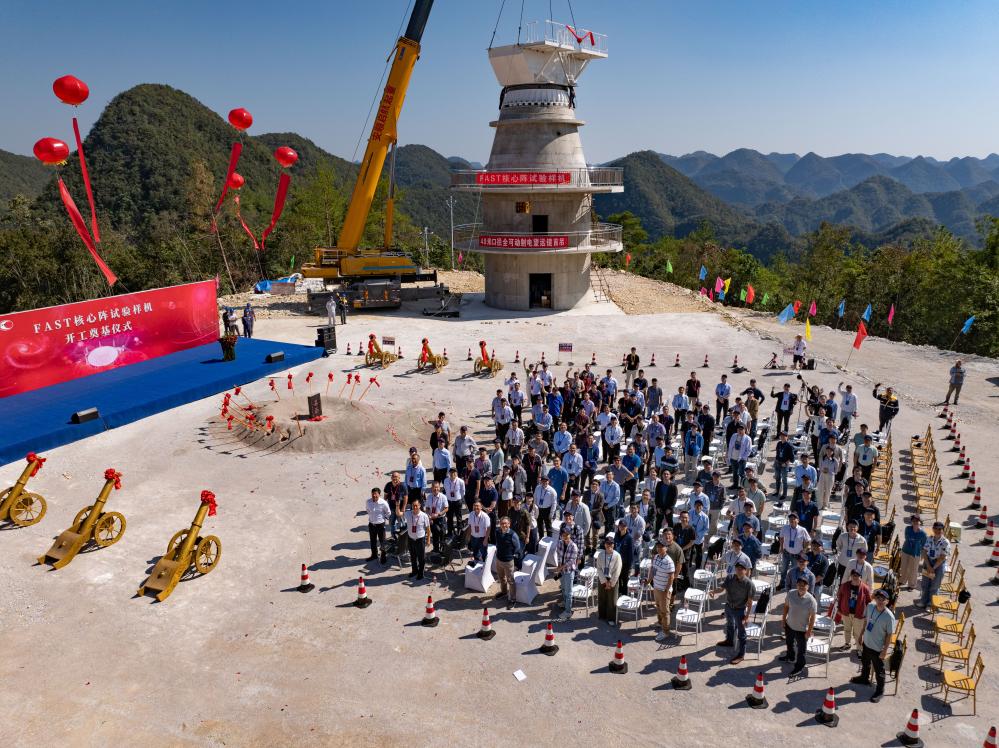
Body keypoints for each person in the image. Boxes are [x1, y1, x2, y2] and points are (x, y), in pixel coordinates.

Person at [850, 589, 895, 702]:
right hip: (866, 642)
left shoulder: (889, 616)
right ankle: (864, 678)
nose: (880, 601)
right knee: (865, 662)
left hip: (877, 648)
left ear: (887, 601)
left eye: (883, 599)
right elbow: (866, 622)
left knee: (879, 671)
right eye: (878, 598)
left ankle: (880, 691)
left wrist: (884, 651)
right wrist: (861, 635)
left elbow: (889, 635)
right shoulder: (870, 607)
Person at [712, 561, 754, 665]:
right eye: (737, 568)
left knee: (741, 633)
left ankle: (741, 655)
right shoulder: (730, 578)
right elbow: (721, 589)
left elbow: (749, 603)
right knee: (730, 624)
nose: (739, 571)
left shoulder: (749, 584)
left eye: (741, 569)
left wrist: (747, 616)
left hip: (739, 610)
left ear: (746, 571)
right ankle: (729, 641)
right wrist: (713, 591)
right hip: (728, 607)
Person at [780, 577, 816, 676]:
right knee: (789, 643)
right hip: (789, 625)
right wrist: (783, 620)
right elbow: (786, 606)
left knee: (801, 650)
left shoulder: (811, 600)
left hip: (802, 629)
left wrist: (809, 631)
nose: (801, 587)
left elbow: (813, 617)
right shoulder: (791, 593)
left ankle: (799, 667)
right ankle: (790, 657)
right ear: (796, 585)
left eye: (804, 585)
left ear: (808, 587)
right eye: (799, 584)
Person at [834, 569, 871, 655]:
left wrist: (867, 615)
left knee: (858, 633)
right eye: (853, 575)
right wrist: (839, 609)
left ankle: (859, 648)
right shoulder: (844, 585)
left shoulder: (865, 588)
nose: (855, 577)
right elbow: (839, 597)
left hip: (859, 615)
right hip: (846, 613)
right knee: (847, 629)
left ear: (860, 577)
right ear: (851, 576)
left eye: (857, 575)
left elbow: (868, 602)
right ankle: (847, 644)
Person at [916, 520, 951, 610]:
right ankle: (923, 601)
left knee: (934, 586)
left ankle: (931, 604)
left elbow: (942, 557)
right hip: (928, 562)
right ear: (933, 529)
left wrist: (933, 568)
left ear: (943, 530)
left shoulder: (945, 542)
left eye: (940, 529)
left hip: (939, 565)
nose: (937, 531)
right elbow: (924, 552)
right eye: (936, 528)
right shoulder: (929, 538)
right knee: (925, 583)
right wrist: (928, 566)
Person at [649, 539, 677, 642]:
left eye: (661, 546)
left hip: (664, 590)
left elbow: (671, 577)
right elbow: (653, 570)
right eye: (658, 546)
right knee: (658, 607)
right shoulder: (656, 557)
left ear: (666, 548)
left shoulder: (669, 561)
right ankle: (660, 623)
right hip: (656, 587)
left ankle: (665, 632)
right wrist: (648, 581)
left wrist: (666, 590)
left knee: (665, 612)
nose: (659, 548)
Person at [778, 513, 810, 588]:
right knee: (783, 569)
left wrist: (804, 550)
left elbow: (808, 540)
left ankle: (792, 585)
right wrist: (781, 547)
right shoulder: (785, 528)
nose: (792, 520)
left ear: (798, 520)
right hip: (786, 553)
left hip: (796, 555)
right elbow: (781, 537)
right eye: (790, 519)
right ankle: (782, 583)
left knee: (794, 571)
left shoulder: (802, 530)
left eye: (794, 519)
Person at [596, 534, 622, 624]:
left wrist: (610, 582)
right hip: (602, 579)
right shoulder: (600, 555)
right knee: (602, 597)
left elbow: (617, 571)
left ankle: (611, 618)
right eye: (607, 543)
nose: (609, 545)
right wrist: (604, 581)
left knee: (612, 600)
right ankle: (602, 615)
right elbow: (599, 568)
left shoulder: (617, 556)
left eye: (611, 544)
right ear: (605, 544)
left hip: (612, 580)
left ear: (613, 545)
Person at [494, 517, 521, 605]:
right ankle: (504, 592)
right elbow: (497, 543)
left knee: (511, 581)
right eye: (502, 523)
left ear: (509, 524)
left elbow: (517, 548)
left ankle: (513, 599)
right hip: (499, 560)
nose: (504, 525)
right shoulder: (498, 532)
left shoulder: (513, 534)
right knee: (501, 578)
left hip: (508, 562)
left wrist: (511, 555)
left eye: (506, 523)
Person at [403, 498, 431, 580]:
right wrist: (397, 505)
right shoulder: (408, 514)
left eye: (416, 505)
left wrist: (428, 539)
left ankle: (421, 573)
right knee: (413, 557)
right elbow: (399, 514)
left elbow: (428, 529)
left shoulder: (424, 516)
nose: (415, 507)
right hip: (411, 539)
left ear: (419, 506)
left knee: (421, 557)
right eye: (413, 506)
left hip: (420, 540)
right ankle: (414, 571)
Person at [555, 526, 578, 621]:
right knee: (563, 589)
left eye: (566, 535)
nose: (564, 536)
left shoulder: (574, 546)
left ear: (570, 535)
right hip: (562, 570)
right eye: (563, 535)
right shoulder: (560, 543)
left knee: (568, 592)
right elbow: (559, 555)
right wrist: (559, 565)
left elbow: (571, 561)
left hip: (569, 571)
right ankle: (565, 603)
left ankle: (568, 612)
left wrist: (560, 567)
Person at [899, 515, 927, 591]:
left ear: (920, 522)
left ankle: (912, 585)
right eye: (914, 521)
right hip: (906, 550)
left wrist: (922, 555)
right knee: (904, 567)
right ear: (911, 522)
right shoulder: (907, 529)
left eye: (917, 521)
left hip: (915, 553)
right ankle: (902, 580)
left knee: (913, 570)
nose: (915, 522)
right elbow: (906, 538)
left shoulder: (923, 534)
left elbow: (924, 545)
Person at [365, 487, 392, 564]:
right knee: (372, 541)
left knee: (382, 542)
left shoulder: (383, 503)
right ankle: (374, 555)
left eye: (375, 494)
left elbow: (388, 513)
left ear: (379, 495)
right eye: (373, 494)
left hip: (380, 525)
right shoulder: (368, 502)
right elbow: (367, 510)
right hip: (371, 524)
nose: (374, 496)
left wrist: (383, 519)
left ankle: (383, 556)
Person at [726, 424, 752, 489]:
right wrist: (728, 454)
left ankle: (742, 486)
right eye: (738, 429)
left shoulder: (747, 438)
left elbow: (749, 450)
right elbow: (730, 445)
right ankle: (735, 485)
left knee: (741, 473)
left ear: (745, 430)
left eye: (741, 429)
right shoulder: (734, 435)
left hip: (741, 459)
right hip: (733, 458)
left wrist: (743, 457)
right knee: (735, 473)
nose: (740, 431)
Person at [613, 519, 635, 595]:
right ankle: (619, 591)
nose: (622, 527)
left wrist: (630, 566)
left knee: (625, 579)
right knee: (617, 577)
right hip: (617, 561)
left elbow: (631, 554)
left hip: (625, 563)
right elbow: (614, 547)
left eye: (623, 526)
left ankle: (624, 593)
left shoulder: (629, 538)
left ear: (626, 527)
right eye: (620, 526)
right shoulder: (616, 535)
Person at [382, 471, 406, 538]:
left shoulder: (403, 486)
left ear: (399, 478)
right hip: (391, 507)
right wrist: (384, 507)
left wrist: (403, 508)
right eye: (393, 477)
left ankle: (402, 537)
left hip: (400, 508)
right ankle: (394, 536)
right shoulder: (388, 485)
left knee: (401, 523)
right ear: (391, 478)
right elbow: (385, 496)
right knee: (392, 523)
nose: (394, 478)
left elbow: (406, 497)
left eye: (396, 477)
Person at [773, 431, 794, 503]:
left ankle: (784, 494)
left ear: (787, 437)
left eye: (784, 436)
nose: (782, 437)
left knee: (784, 480)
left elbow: (792, 459)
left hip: (784, 465)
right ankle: (777, 491)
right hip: (777, 463)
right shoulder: (779, 443)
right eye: (781, 436)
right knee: (777, 478)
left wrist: (785, 463)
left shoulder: (789, 446)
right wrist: (775, 461)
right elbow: (777, 454)